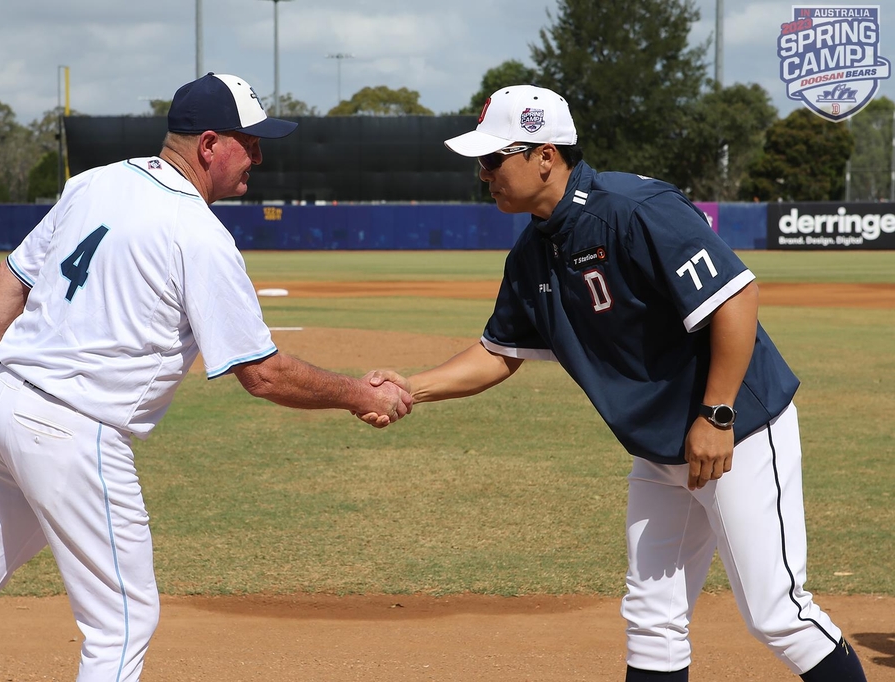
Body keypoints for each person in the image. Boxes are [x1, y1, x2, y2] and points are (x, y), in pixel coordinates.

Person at [0, 73, 411, 682]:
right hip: (76, 433)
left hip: (4, 403)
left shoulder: (93, 183)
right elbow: (262, 374)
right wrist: (355, 394)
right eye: (251, 141)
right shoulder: (197, 231)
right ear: (210, 144)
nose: (260, 156)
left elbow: (15, 275)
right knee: (122, 622)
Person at [362, 85, 867, 681]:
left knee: (776, 613)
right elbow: (500, 354)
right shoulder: (532, 251)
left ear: (544, 155)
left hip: (739, 431)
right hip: (660, 449)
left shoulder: (634, 208)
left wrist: (718, 416)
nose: (483, 174)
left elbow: (736, 299)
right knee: (653, 620)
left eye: (494, 159)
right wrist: (410, 389)